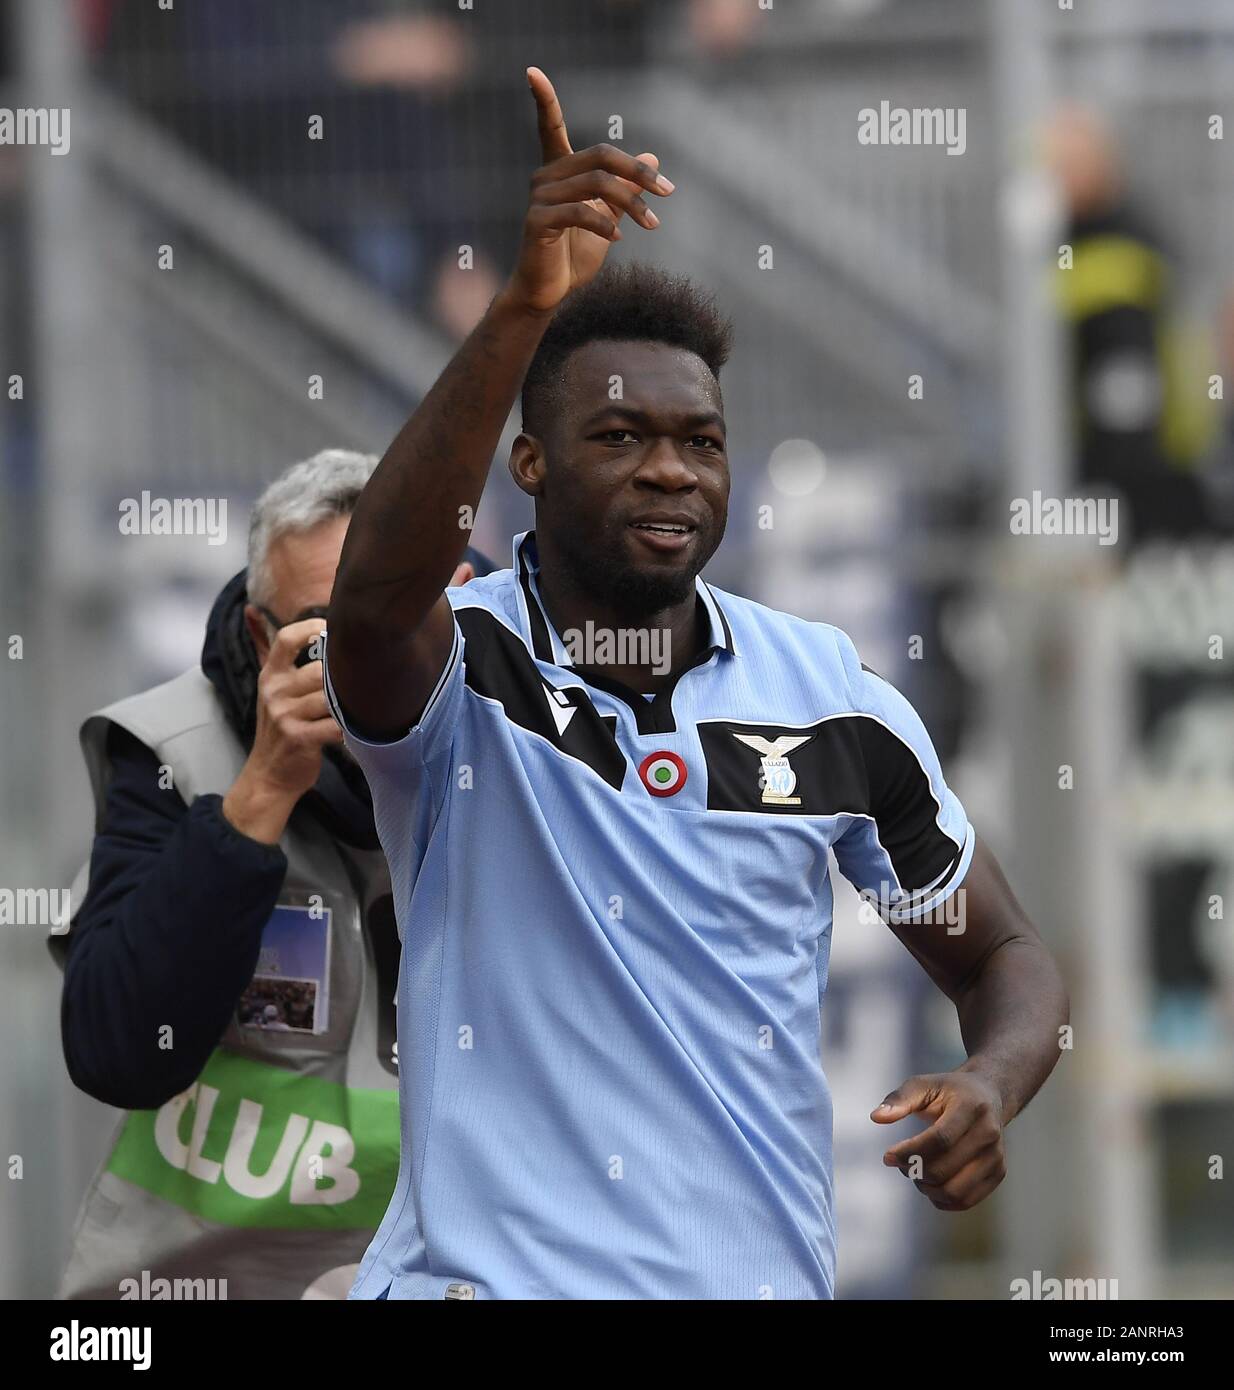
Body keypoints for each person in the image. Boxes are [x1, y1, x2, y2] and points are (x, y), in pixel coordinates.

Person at [324, 70, 1069, 1300]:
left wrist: (990, 1078)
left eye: (701, 442)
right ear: (530, 464)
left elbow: (1004, 953)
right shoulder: (460, 663)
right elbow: (367, 598)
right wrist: (520, 307)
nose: (670, 470)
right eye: (620, 438)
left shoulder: (829, 696)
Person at [53, 448, 492, 1300]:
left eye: (398, 614)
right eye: (327, 629)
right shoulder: (172, 751)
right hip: (191, 1279)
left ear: (464, 595)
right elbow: (117, 1051)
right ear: (261, 638)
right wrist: (261, 791)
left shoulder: (540, 745)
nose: (369, 659)